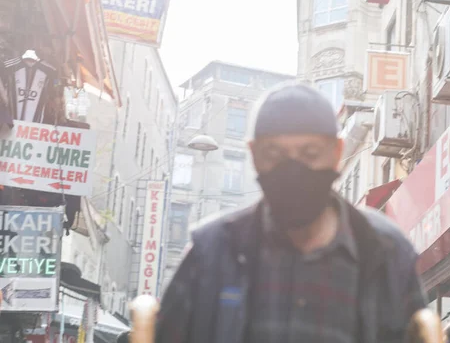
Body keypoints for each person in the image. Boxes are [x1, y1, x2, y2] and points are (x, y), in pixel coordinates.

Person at [155, 82, 427, 343]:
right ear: (254, 155)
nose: (293, 169)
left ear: (336, 153)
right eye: (275, 153)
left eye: (310, 153)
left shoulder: (385, 253)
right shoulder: (212, 251)